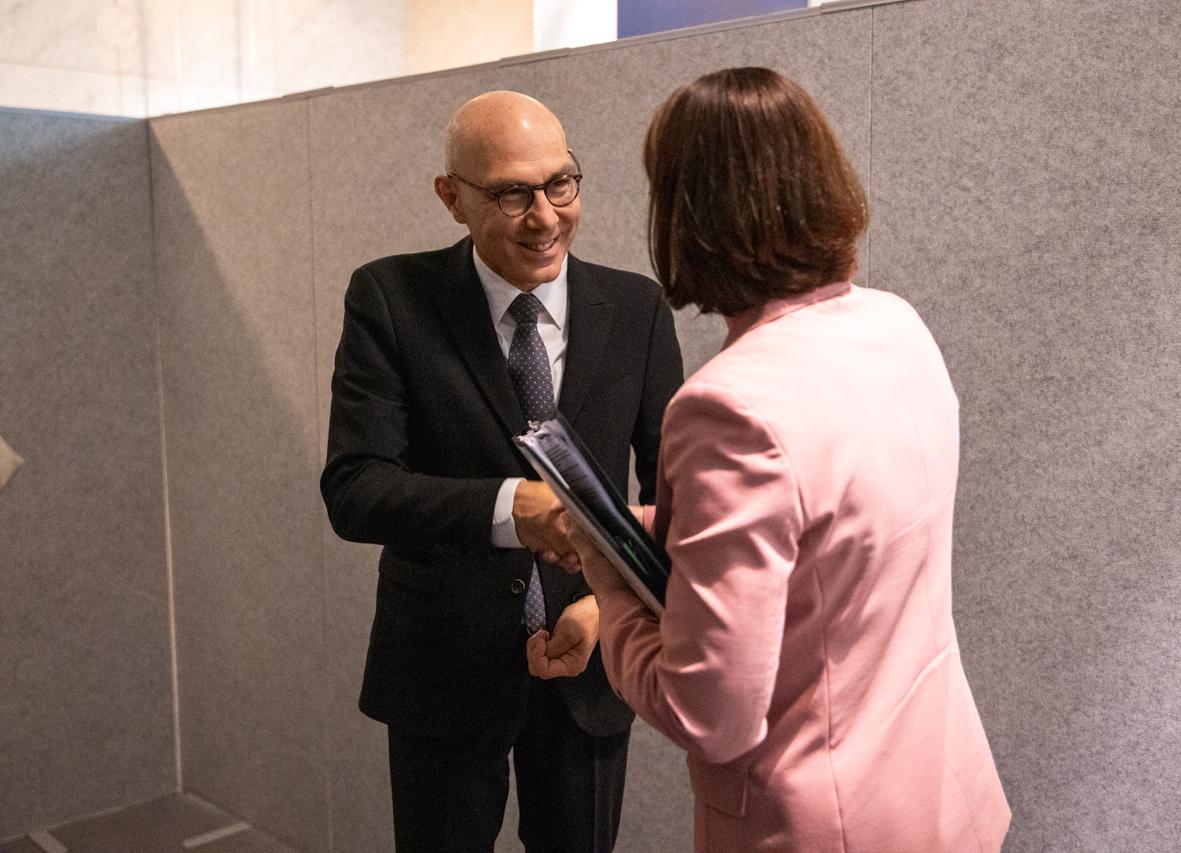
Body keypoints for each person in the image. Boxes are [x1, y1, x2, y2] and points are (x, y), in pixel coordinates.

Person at [564, 68, 1011, 851]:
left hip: (822, 825)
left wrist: (608, 585)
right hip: (935, 791)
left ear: (689, 214)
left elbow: (711, 714)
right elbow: (832, 538)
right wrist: (651, 526)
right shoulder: (894, 325)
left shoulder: (728, 406)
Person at [320, 90, 683, 852]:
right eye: (512, 193)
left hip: (590, 667)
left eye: (560, 183)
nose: (545, 216)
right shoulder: (390, 298)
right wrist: (511, 508)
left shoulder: (638, 308)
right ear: (451, 197)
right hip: (442, 666)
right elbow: (356, 489)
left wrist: (608, 607)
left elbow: (673, 504)